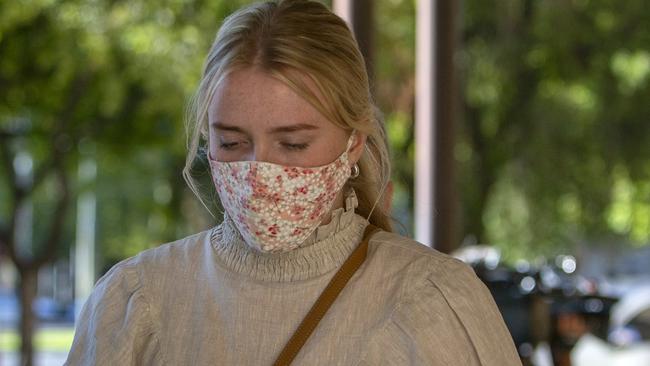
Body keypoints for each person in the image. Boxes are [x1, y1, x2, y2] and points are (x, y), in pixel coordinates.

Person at [65, 0, 521, 365]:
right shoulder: (136, 301)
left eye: (293, 145)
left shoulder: (433, 301)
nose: (259, 174)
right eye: (231, 142)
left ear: (354, 142)